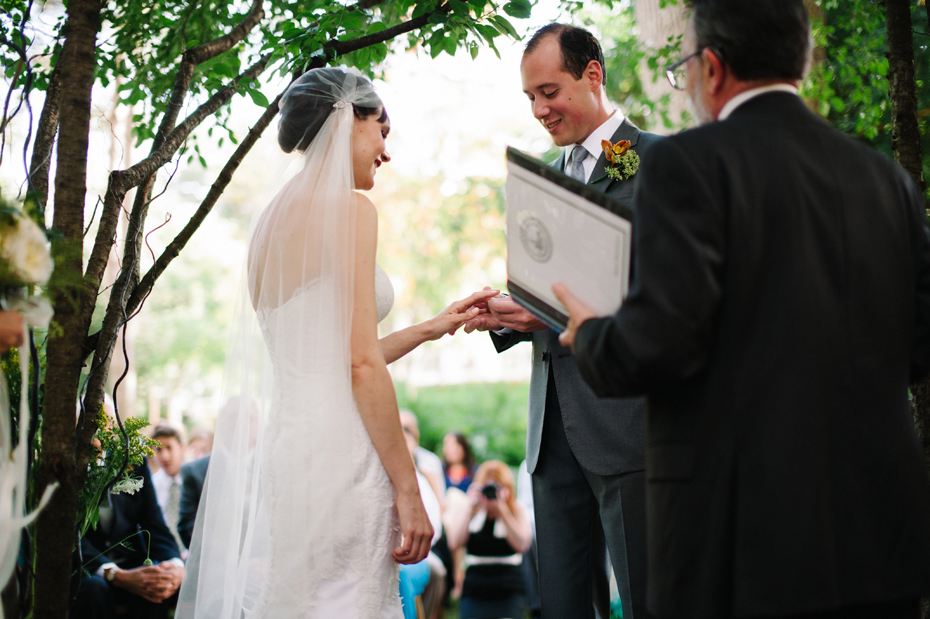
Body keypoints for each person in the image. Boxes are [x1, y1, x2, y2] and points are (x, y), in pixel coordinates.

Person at [553, 1, 930, 617]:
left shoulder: (687, 164)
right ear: (800, 59)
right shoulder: (884, 179)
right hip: (877, 531)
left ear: (714, 67)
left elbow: (660, 343)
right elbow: (917, 343)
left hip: (740, 531)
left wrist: (591, 333)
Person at [177, 67, 497, 619]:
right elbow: (359, 366)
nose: (386, 152)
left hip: (291, 450)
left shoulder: (266, 227)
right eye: (383, 130)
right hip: (345, 450)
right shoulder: (350, 211)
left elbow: (325, 359)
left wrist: (432, 326)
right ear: (349, 118)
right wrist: (409, 490)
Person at [465, 23, 662, 619]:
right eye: (529, 98)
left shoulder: (656, 160)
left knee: (651, 599)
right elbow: (546, 285)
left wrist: (546, 310)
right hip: (549, 430)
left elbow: (664, 289)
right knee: (564, 606)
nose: (539, 110)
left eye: (548, 92)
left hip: (625, 422)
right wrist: (504, 311)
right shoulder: (538, 176)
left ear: (592, 75)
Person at [71, 461, 185, 619]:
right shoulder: (69, 461)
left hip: (130, 561)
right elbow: (69, 536)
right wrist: (115, 575)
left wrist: (175, 565)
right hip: (85, 568)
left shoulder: (132, 458)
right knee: (94, 589)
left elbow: (153, 521)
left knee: (154, 581)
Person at [445, 461, 531, 619]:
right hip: (475, 586)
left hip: (508, 585)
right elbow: (454, 543)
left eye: (497, 487)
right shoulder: (472, 509)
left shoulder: (515, 509)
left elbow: (522, 545)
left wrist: (502, 510)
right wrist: (470, 508)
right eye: (488, 487)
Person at [150, 425, 187, 553]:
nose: (165, 456)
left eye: (169, 448)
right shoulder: (151, 484)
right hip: (163, 551)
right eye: (158, 450)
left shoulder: (193, 480)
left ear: (181, 448)